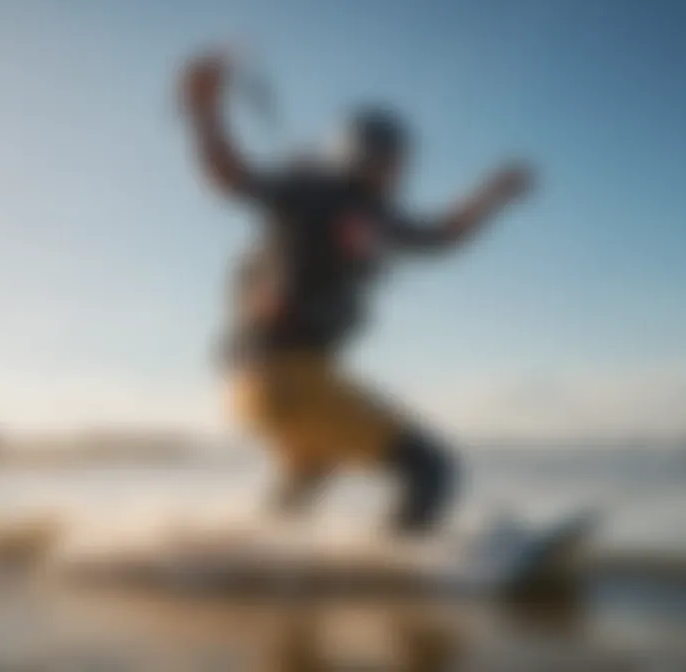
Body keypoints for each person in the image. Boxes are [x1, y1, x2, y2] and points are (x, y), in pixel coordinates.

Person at [180, 52, 534, 536]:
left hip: (284, 380)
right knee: (430, 470)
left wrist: (492, 196)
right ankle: (401, 571)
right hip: (280, 373)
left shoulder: (379, 217)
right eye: (384, 156)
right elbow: (231, 178)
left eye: (399, 159)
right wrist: (204, 111)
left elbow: (443, 235)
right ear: (355, 153)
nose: (395, 168)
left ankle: (253, 561)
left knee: (314, 468)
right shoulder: (312, 191)